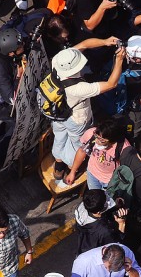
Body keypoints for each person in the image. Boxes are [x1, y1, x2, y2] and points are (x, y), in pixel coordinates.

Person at [48, 46, 126, 185]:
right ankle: (72, 167)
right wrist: (119, 60)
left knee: (59, 136)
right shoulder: (78, 88)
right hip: (76, 119)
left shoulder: (56, 62)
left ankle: (58, 166)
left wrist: (104, 41)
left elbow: (82, 45)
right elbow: (111, 84)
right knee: (76, 144)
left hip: (57, 113)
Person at [69, 119, 132, 192]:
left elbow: (126, 170)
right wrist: (72, 172)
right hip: (92, 174)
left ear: (112, 140)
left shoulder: (124, 148)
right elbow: (82, 151)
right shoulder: (91, 134)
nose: (96, 141)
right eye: (96, 137)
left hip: (110, 181)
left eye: (102, 140)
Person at [75, 190, 126, 255]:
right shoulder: (104, 231)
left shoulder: (82, 207)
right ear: (99, 212)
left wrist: (115, 206)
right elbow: (117, 246)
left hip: (84, 247)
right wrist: (122, 223)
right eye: (106, 202)